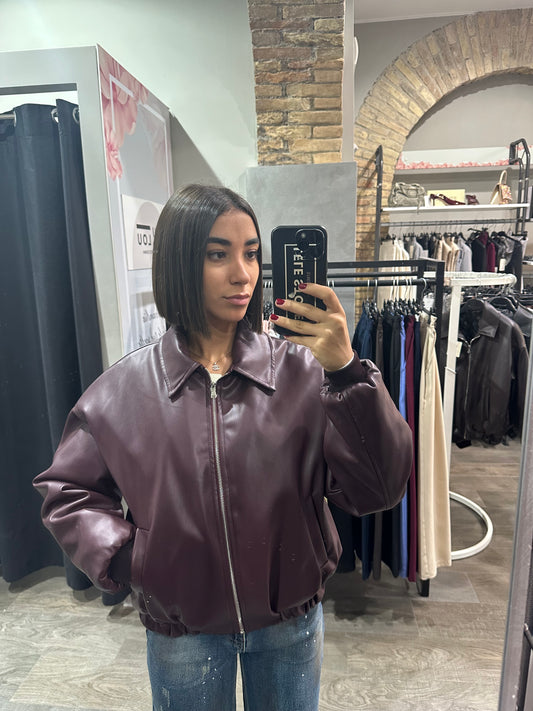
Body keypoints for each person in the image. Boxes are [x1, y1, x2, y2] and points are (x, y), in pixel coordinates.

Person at [33, 184, 412, 711]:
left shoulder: (304, 373)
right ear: (178, 263)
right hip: (184, 631)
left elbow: (381, 488)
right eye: (218, 255)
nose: (242, 274)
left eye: (251, 254)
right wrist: (134, 562)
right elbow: (66, 493)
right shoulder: (124, 391)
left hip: (289, 623)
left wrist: (348, 372)